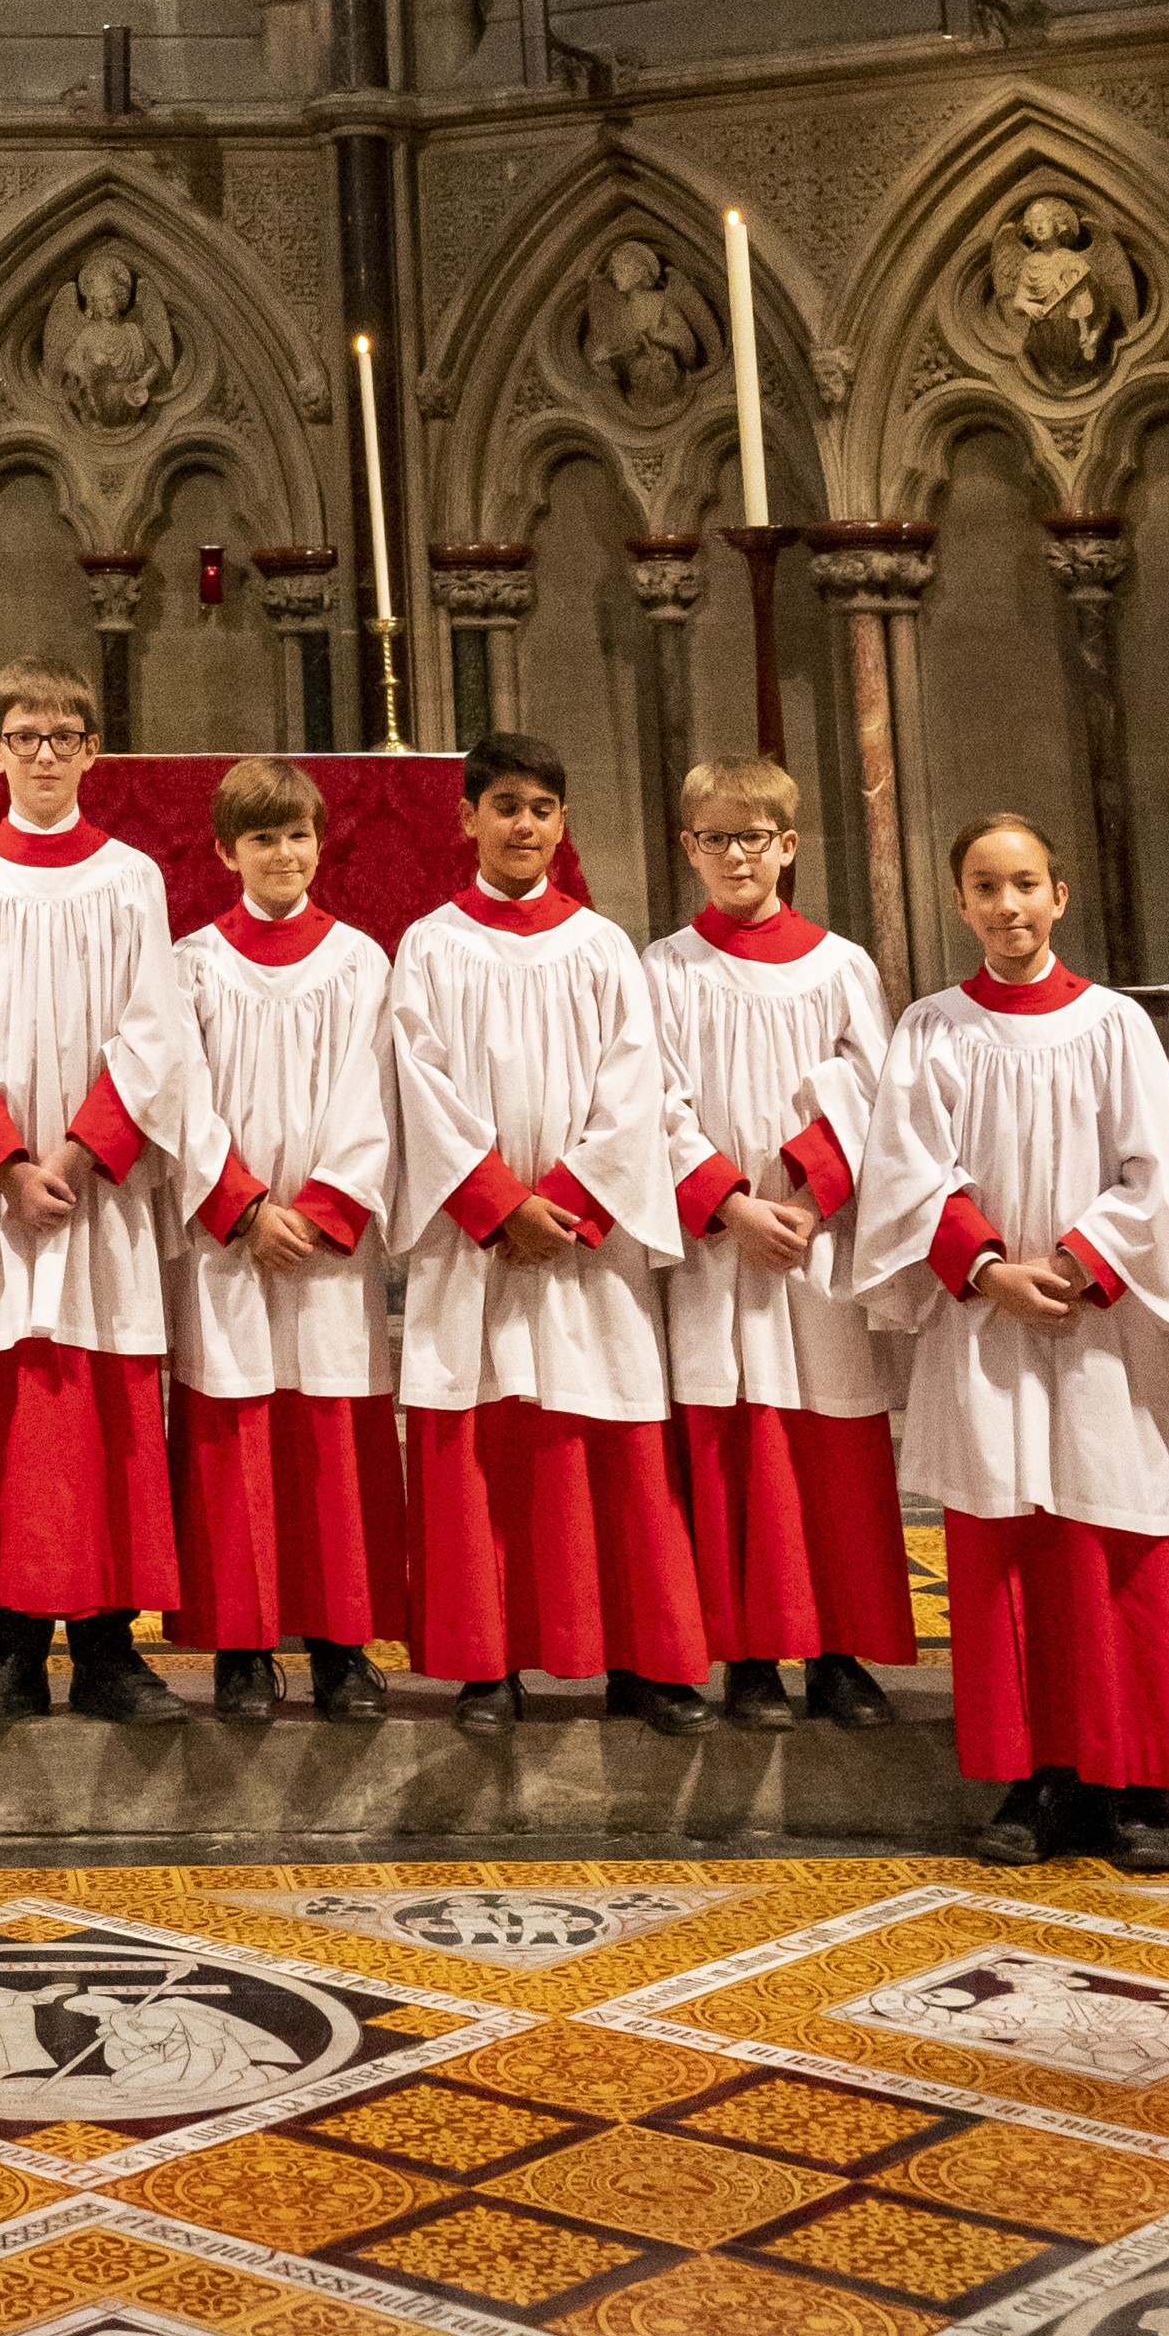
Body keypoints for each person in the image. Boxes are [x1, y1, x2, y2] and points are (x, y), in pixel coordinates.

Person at [838, 811, 1169, 1872]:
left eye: (1024, 883)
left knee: (1115, 1543)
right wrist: (984, 1268)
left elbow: (1158, 1173)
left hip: (1098, 1325)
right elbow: (904, 1172)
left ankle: (1135, 1782)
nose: (1006, 905)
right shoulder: (930, 1026)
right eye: (984, 886)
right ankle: (1030, 1776)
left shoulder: (1112, 1023)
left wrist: (1072, 1261)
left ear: (1059, 894)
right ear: (960, 903)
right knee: (1004, 1550)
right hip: (986, 1325)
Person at [382, 733, 717, 1737]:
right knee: (484, 1446)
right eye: (504, 806)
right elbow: (419, 1086)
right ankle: (487, 1664)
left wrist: (561, 1202)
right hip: (479, 1241)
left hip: (583, 1245)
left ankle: (642, 1661)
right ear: (467, 819)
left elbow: (634, 1089)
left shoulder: (600, 945)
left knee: (605, 1442)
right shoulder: (430, 943)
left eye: (540, 808)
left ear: (560, 822)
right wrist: (495, 1201)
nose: (522, 824)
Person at [0, 662, 221, 1726]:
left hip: (98, 1196)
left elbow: (153, 1031)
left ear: (95, 750)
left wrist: (85, 1155)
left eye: (62, 733)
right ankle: (8, 1650)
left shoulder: (130, 875)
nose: (43, 752)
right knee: (6, 1413)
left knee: (107, 1411)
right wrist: (5, 1163)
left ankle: (107, 1649)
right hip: (1, 1199)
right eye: (22, 734)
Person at [640, 754, 913, 1733]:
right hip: (722, 1247)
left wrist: (803, 1182)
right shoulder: (663, 967)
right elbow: (649, 1104)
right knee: (732, 1444)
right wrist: (727, 1201)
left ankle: (839, 1655)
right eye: (714, 836)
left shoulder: (840, 965)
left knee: (829, 1448)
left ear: (787, 845)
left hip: (815, 1242)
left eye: (752, 835)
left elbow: (881, 1092)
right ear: (688, 848)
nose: (734, 854)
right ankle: (748, 1655)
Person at [162, 758, 405, 1721]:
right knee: (237, 1432)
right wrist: (245, 1206)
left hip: (327, 1249)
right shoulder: (189, 965)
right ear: (227, 851)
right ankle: (242, 1646)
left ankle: (343, 1646)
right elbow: (180, 1099)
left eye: (298, 834)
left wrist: (329, 1206)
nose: (283, 854)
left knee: (332, 1435)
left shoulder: (360, 961)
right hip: (236, 1243)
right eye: (262, 838)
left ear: (321, 841)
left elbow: (377, 1091)